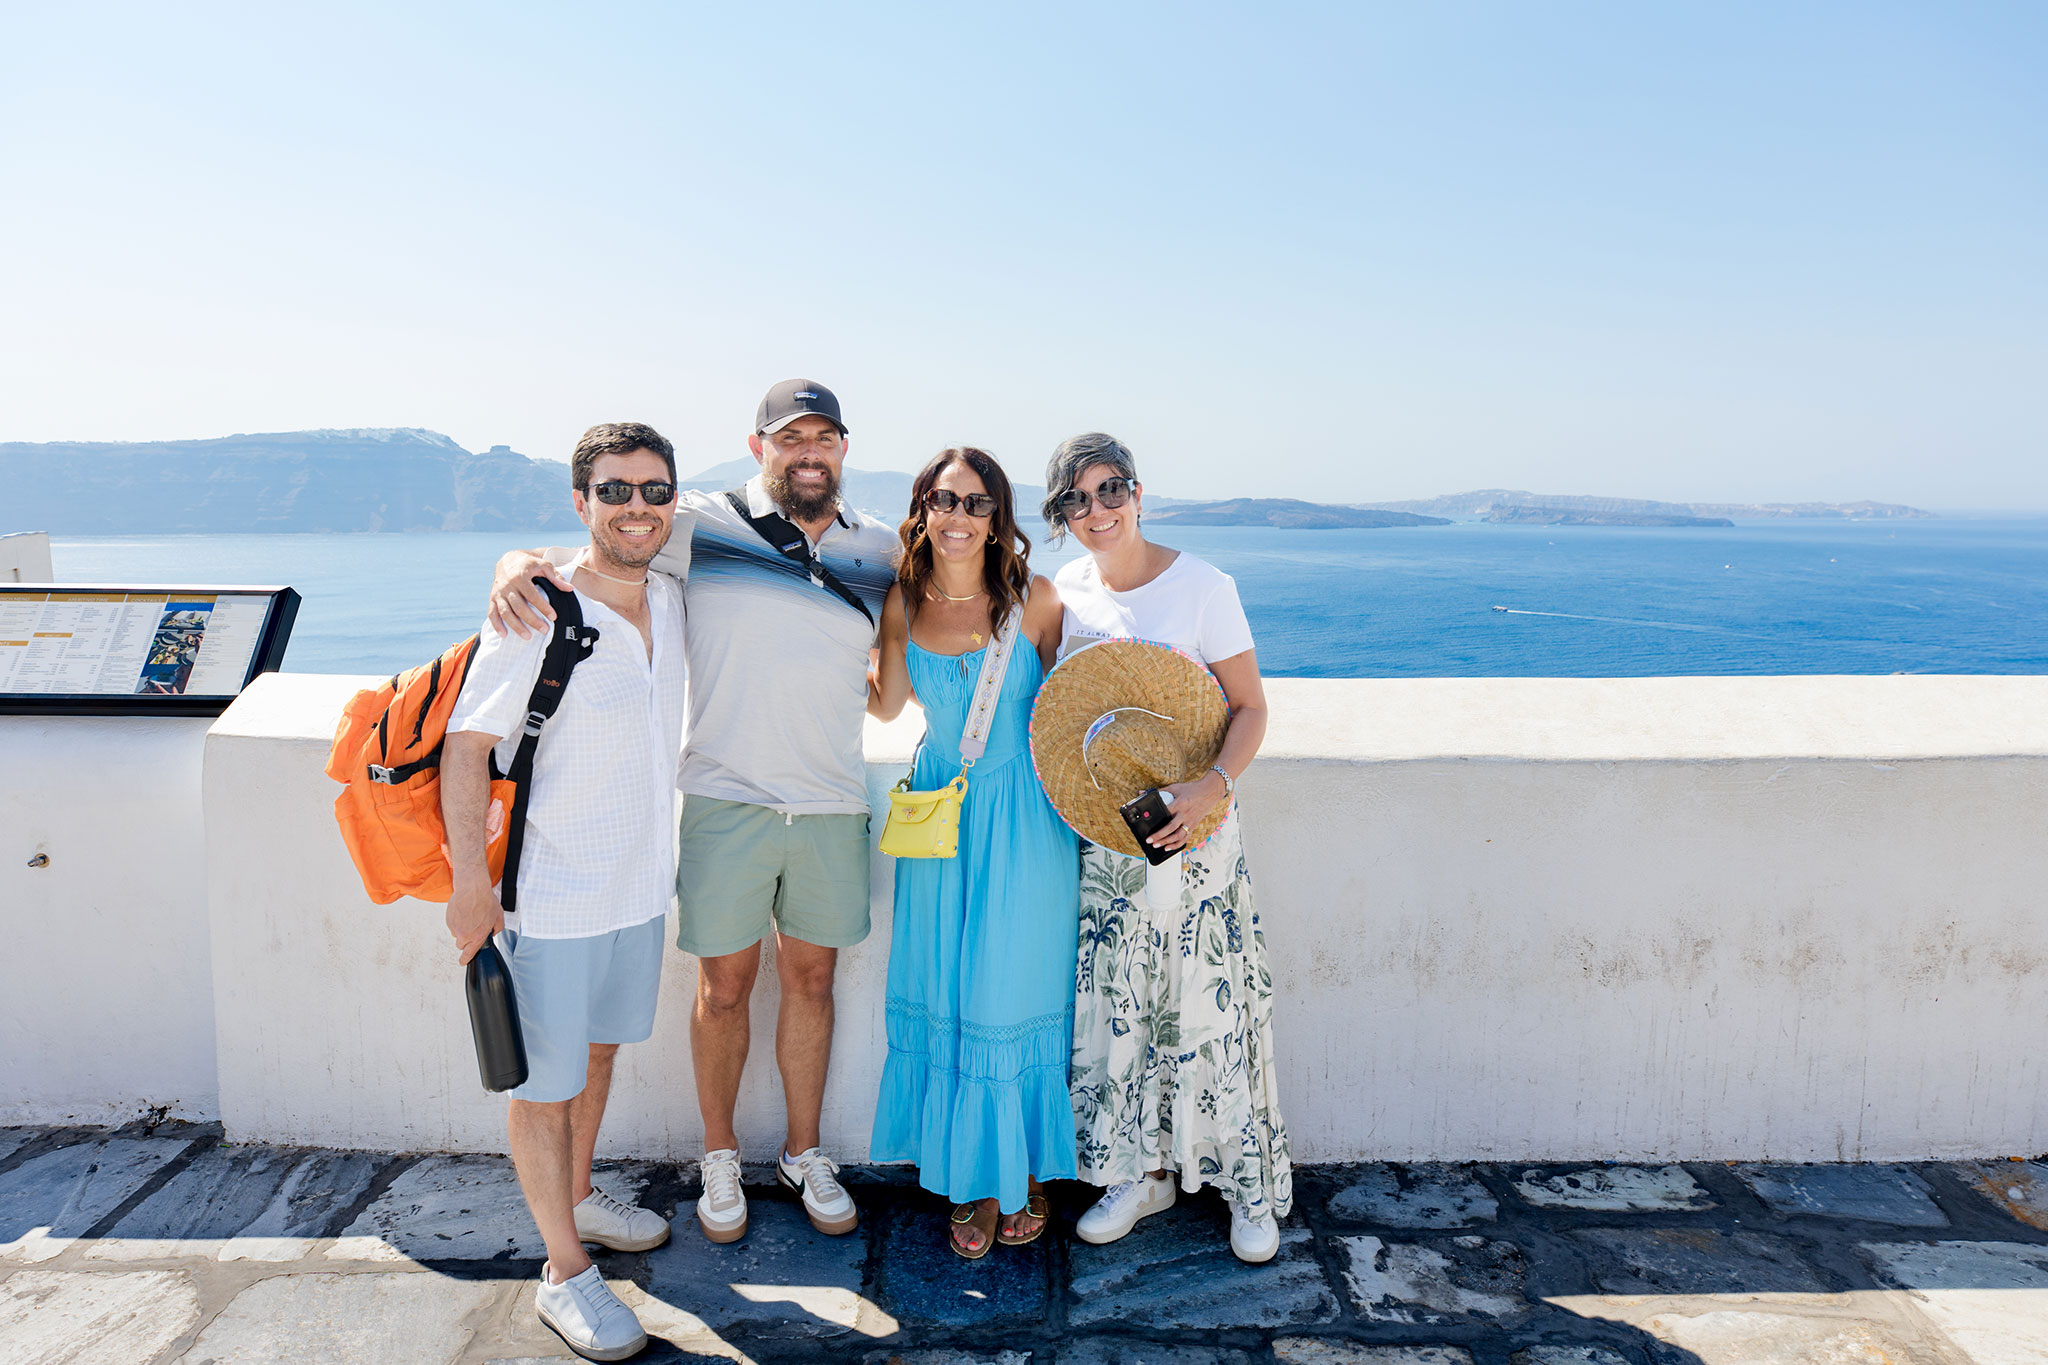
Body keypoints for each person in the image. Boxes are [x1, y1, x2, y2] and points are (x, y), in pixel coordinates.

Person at [486, 381, 897, 1246]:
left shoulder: (881, 545)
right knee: (724, 987)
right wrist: (511, 563)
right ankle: (719, 1155)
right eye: (792, 438)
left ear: (844, 449)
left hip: (830, 800)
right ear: (759, 448)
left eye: (824, 436)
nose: (809, 452)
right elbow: (597, 545)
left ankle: (802, 1151)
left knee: (814, 982)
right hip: (723, 798)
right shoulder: (702, 524)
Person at [443, 422, 685, 1361]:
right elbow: (468, 750)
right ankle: (562, 1269)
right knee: (543, 1088)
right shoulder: (538, 611)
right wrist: (472, 887)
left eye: (654, 491)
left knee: (595, 1056)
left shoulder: (670, 593)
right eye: (615, 491)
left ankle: (579, 1193)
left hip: (636, 891)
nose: (637, 508)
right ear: (581, 502)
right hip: (547, 898)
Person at [1039, 431, 1292, 1264]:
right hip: (1109, 841)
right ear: (1063, 516)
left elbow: (1249, 706)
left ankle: (1246, 1186)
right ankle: (1137, 1170)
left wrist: (1211, 784)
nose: (1097, 510)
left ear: (1139, 494)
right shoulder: (1066, 593)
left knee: (1210, 1006)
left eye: (1110, 490)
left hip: (1198, 832)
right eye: (1077, 499)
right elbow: (1057, 717)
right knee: (1122, 1009)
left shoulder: (1203, 586)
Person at [865, 448, 1078, 1257]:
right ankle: (971, 1175)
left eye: (977, 503)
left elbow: (1070, 709)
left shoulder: (1039, 600)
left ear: (999, 519)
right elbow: (885, 706)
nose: (958, 516)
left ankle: (1011, 1172)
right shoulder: (901, 602)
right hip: (939, 812)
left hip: (1023, 816)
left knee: (1007, 985)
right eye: (943, 500)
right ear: (923, 509)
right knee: (947, 986)